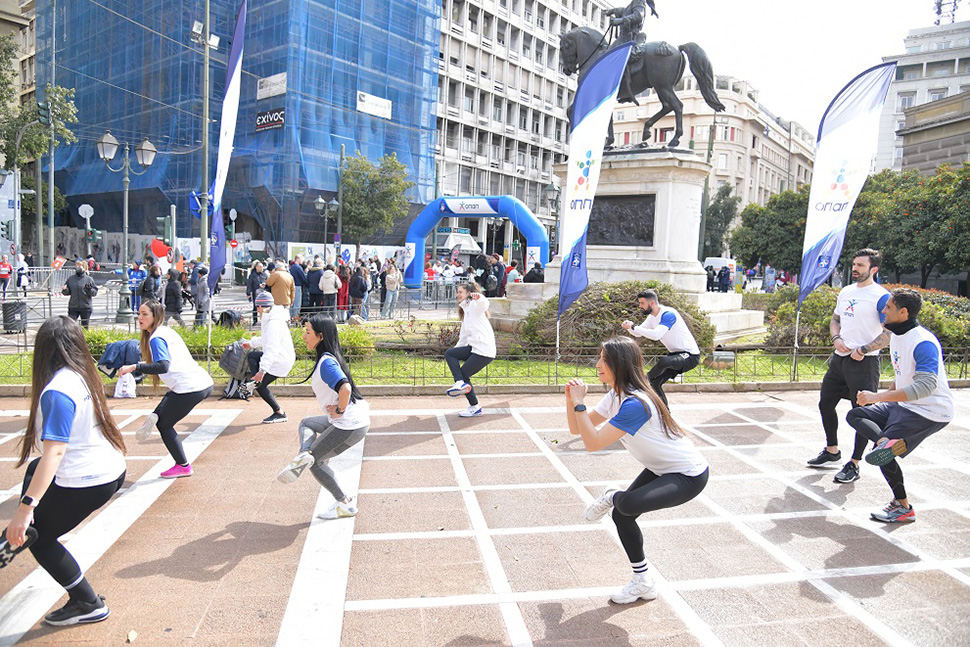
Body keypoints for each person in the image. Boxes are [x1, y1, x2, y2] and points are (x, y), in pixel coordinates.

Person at [0, 316, 127, 626]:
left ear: (43, 351)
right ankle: (11, 538)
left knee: (41, 539)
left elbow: (55, 454)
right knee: (34, 470)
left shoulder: (57, 390)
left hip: (88, 479)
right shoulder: (83, 375)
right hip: (112, 469)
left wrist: (24, 511)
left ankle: (86, 602)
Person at [566, 336, 708, 604]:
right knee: (623, 516)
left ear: (620, 364)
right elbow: (577, 429)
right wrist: (571, 400)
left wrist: (579, 403)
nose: (598, 364)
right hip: (660, 468)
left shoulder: (635, 404)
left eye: (604, 360)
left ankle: (611, 495)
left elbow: (593, 443)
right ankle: (643, 582)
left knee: (625, 505)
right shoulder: (615, 395)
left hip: (688, 475)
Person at [845, 288, 953, 523]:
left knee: (883, 456)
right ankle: (884, 441)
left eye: (889, 307)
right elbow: (903, 373)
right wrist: (886, 394)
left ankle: (903, 507)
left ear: (903, 312)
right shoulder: (897, 336)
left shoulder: (923, 342)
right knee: (856, 415)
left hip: (929, 411)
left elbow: (925, 387)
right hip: (906, 405)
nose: (883, 310)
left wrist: (879, 396)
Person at [277, 314, 370, 520]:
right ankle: (303, 455)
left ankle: (343, 503)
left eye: (307, 332)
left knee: (316, 461)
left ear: (320, 336)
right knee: (307, 423)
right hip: (352, 421)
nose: (303, 336)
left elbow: (345, 387)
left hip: (349, 425)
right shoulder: (326, 358)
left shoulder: (327, 362)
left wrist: (340, 410)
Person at [809, 249, 892, 474]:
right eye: (854, 264)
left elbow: (888, 333)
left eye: (861, 265)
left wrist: (863, 350)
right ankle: (832, 450)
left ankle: (854, 463)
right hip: (840, 360)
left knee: (862, 414)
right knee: (825, 403)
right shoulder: (846, 291)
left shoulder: (881, 296)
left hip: (864, 364)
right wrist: (836, 339)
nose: (855, 268)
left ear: (873, 269)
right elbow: (835, 320)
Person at [118, 300, 214, 478]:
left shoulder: (156, 338)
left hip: (190, 387)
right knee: (172, 396)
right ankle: (154, 414)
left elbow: (163, 366)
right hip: (200, 382)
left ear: (156, 317)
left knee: (165, 425)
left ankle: (183, 465)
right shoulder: (165, 331)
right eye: (139, 313)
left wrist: (134, 367)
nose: (140, 317)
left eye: (145, 314)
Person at [621, 290, 700, 408]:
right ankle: (664, 414)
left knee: (664, 362)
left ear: (652, 303)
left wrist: (634, 326)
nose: (640, 306)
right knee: (654, 383)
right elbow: (638, 333)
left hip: (690, 356)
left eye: (642, 303)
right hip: (675, 355)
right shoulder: (652, 317)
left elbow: (656, 335)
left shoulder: (668, 314)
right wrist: (629, 327)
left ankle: (644, 380)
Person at [444, 281, 496, 418]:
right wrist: (456, 352)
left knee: (464, 374)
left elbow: (484, 304)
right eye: (458, 292)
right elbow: (464, 336)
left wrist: (479, 298)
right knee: (450, 354)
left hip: (484, 350)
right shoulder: (466, 310)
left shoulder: (474, 305)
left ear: (468, 293)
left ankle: (474, 406)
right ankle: (460, 384)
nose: (458, 294)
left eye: (460, 292)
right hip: (474, 347)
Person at [243, 291, 295, 424]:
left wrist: (262, 371)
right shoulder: (271, 317)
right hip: (280, 356)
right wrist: (251, 343)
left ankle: (279, 412)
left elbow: (272, 348)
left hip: (280, 359)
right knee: (253, 356)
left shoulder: (274, 323)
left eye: (258, 306)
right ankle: (255, 382)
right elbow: (267, 339)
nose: (257, 309)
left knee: (260, 386)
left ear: (262, 306)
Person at [62, 260, 99, 329]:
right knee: (70, 326)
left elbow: (94, 293)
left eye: (79, 266)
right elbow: (67, 292)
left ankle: (84, 338)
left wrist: (89, 289)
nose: (77, 267)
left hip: (85, 307)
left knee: (85, 327)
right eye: (76, 265)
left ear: (84, 268)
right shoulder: (71, 279)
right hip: (73, 307)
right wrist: (65, 290)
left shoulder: (89, 279)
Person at [245, 261, 268, 326]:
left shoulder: (264, 275)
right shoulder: (252, 275)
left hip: (264, 293)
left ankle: (264, 320)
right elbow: (249, 284)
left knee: (264, 307)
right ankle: (255, 320)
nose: (261, 268)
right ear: (257, 267)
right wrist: (248, 293)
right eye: (260, 267)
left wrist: (265, 285)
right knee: (255, 307)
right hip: (256, 292)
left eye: (262, 267)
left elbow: (268, 282)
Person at [289, 254, 307, 322]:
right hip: (297, 286)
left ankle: (291, 317)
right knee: (297, 303)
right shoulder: (298, 268)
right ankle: (295, 318)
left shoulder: (292, 267)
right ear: (298, 259)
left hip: (291, 286)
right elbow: (303, 278)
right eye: (302, 259)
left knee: (292, 303)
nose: (302, 261)